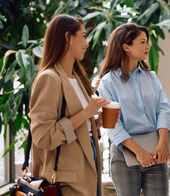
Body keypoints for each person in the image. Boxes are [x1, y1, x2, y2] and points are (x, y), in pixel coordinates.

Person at [29, 14, 114, 196]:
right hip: (66, 179)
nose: (87, 43)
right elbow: (43, 136)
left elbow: (76, 129)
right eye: (83, 36)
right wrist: (85, 113)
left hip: (88, 169)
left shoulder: (77, 79)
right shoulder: (49, 78)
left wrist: (95, 123)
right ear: (68, 37)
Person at [97, 23, 170, 196]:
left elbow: (164, 109)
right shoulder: (108, 82)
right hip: (125, 154)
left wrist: (163, 142)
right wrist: (139, 152)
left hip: (156, 151)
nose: (148, 46)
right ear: (126, 47)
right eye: (142, 42)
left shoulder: (151, 77)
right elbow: (112, 125)